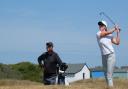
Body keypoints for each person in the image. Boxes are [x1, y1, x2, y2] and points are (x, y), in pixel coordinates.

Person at [96, 20, 120, 87]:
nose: (100, 26)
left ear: (105, 27)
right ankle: (108, 87)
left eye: (102, 25)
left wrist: (117, 32)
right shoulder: (98, 33)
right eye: (99, 25)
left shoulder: (110, 35)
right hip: (103, 56)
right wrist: (114, 28)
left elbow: (117, 42)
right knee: (106, 74)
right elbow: (104, 34)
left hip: (111, 55)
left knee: (109, 75)